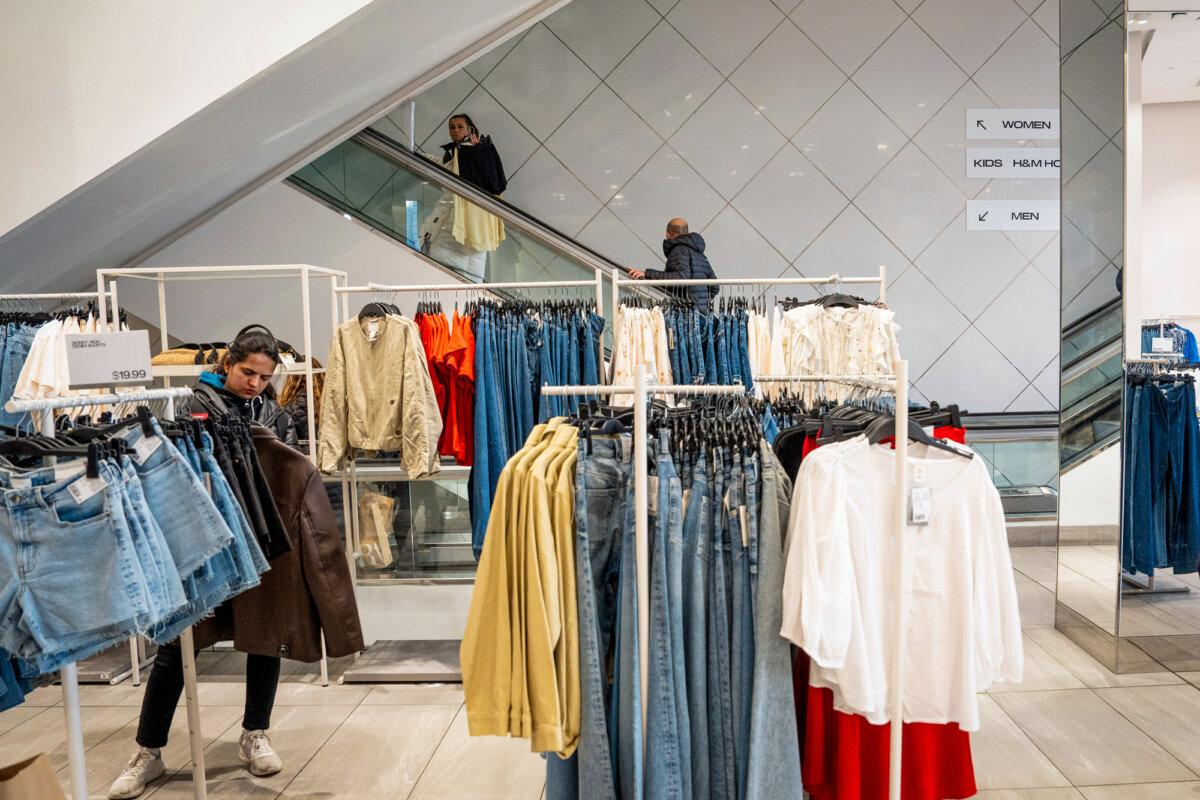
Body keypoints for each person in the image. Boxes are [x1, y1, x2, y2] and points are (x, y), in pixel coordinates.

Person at [107, 326, 292, 799]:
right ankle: (148, 750)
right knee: (177, 643)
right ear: (228, 363)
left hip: (260, 532)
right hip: (202, 537)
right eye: (248, 372)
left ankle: (255, 732)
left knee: (261, 635)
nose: (255, 383)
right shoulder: (190, 405)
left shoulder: (272, 410)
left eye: (264, 376)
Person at [419, 113, 507, 281]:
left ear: (470, 128)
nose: (455, 131)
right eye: (452, 127)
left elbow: (486, 180)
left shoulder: (473, 151)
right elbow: (449, 169)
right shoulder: (456, 153)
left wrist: (476, 151)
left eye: (460, 126)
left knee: (463, 274)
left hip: (464, 224)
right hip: (451, 221)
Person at [629, 218, 719, 312]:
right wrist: (702, 301)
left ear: (667, 234)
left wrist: (647, 274)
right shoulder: (700, 254)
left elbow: (681, 277)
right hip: (703, 313)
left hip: (686, 312)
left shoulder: (678, 250)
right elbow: (715, 287)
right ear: (687, 232)